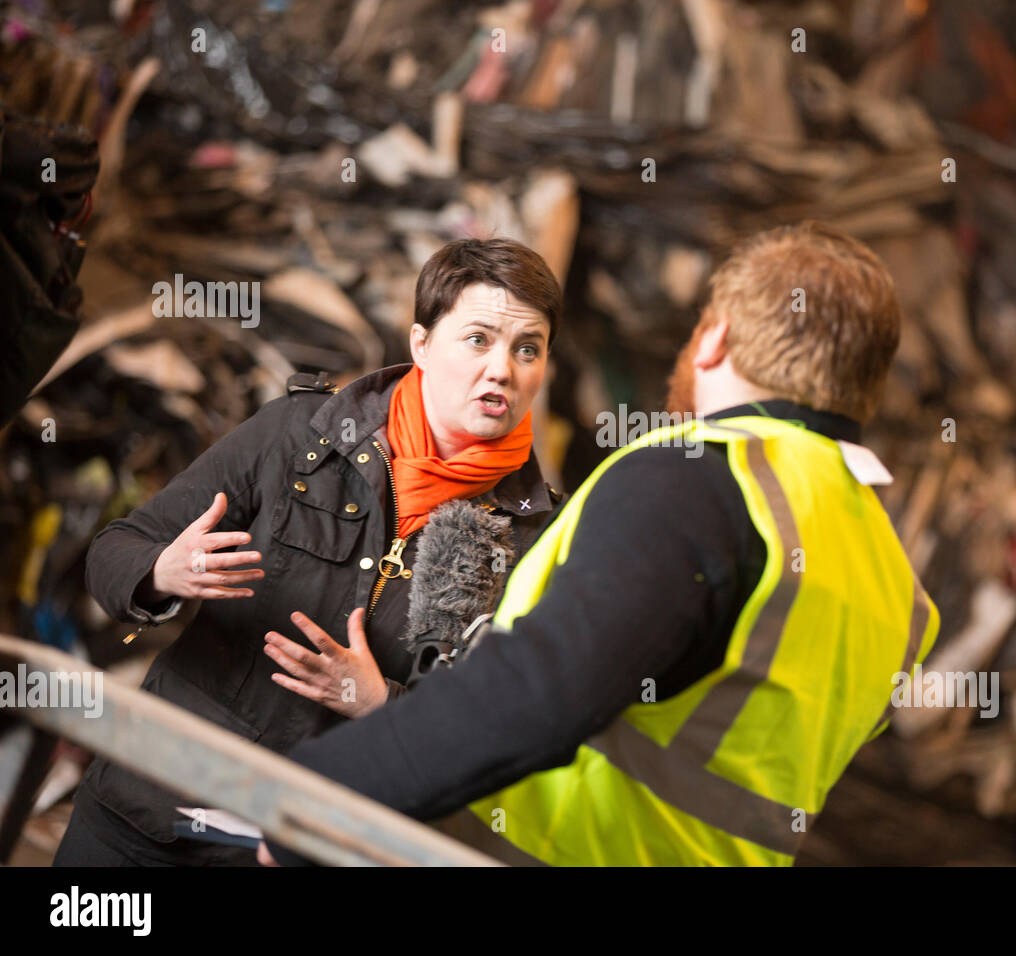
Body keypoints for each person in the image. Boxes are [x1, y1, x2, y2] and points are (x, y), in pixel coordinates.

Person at [261, 221, 942, 867]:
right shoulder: (896, 585)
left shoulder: (706, 478)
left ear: (714, 340)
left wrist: (316, 800)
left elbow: (536, 691)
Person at [55, 237, 564, 866]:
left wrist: (381, 705)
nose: (503, 369)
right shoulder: (300, 435)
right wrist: (162, 571)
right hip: (147, 811)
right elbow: (114, 551)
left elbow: (500, 730)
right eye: (478, 339)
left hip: (304, 844)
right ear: (421, 345)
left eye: (527, 349)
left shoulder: (535, 538)